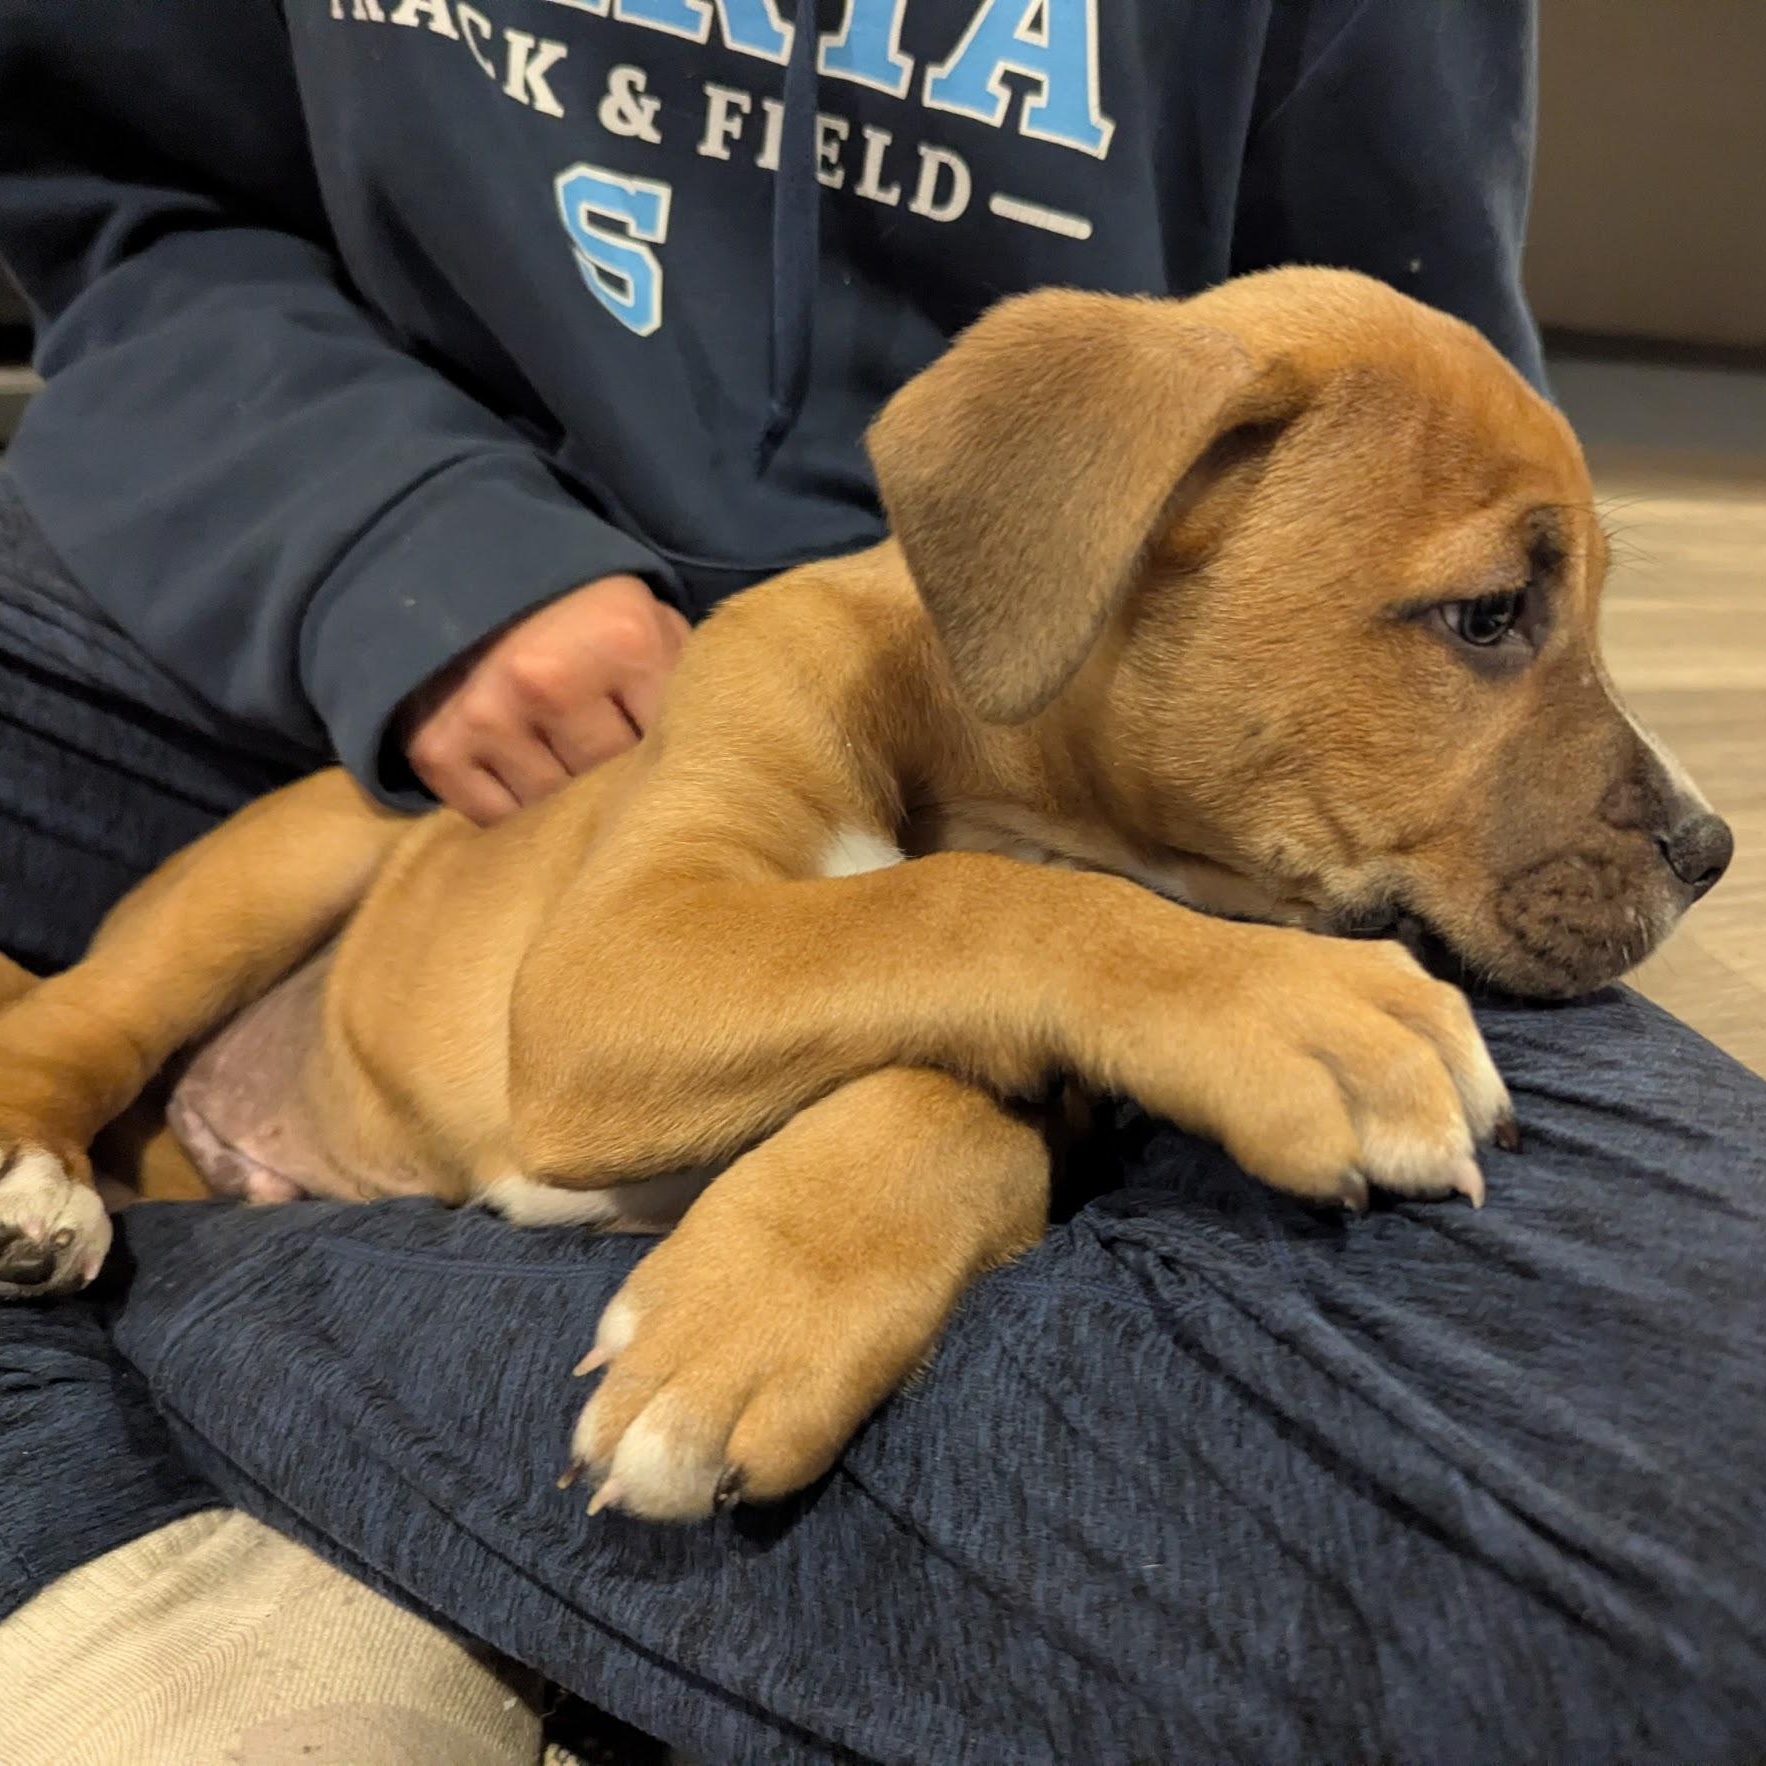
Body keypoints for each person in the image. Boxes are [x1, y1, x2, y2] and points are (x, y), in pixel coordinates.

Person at [1, 2, 1763, 1759]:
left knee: (1674, 1503)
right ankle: (133, 1229)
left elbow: (1417, 356)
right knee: (330, 841)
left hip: (1075, 795)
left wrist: (998, 1094)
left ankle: (171, 1337)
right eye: (1487, 621)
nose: (1674, 818)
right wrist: (394, 545)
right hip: (401, 644)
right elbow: (597, 1056)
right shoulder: (822, 668)